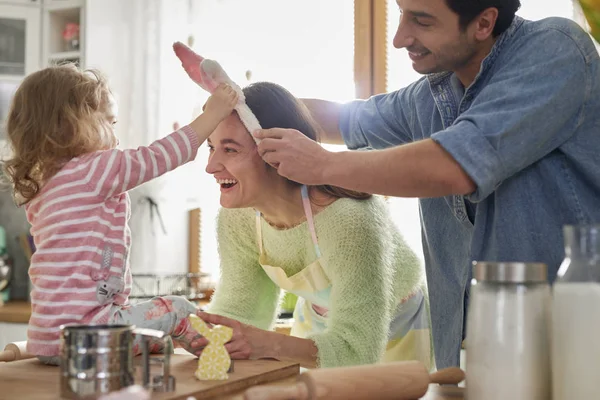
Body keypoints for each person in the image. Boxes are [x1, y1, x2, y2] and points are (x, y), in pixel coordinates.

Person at [252, 0, 600, 369]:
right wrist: (239, 105)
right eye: (401, 14)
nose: (400, 38)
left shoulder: (554, 51)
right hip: (466, 360)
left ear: (484, 23)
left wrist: (323, 165)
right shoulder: (429, 97)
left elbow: (456, 163)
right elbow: (342, 119)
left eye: (421, 20)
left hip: (570, 355)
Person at [1, 64, 238, 363]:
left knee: (153, 330)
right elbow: (157, 157)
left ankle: (162, 346)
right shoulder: (93, 170)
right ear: (72, 124)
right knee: (177, 309)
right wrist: (212, 115)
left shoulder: (42, 185)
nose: (115, 136)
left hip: (47, 339)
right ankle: (223, 357)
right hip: (88, 333)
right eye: (110, 123)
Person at [194, 81, 433, 369]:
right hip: (317, 322)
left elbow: (357, 351)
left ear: (276, 152)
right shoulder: (239, 217)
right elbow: (241, 311)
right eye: (211, 147)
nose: (211, 166)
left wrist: (267, 344)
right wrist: (194, 335)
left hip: (394, 333)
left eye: (230, 150)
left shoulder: (349, 221)